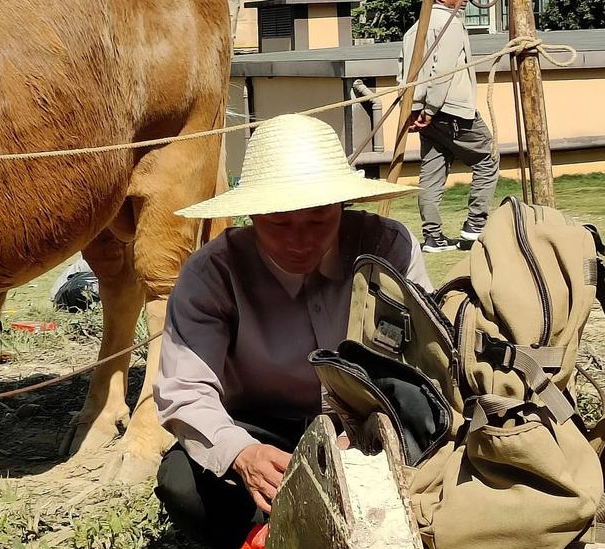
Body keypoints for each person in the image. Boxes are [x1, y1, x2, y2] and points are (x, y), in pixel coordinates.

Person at [153, 113, 431, 547]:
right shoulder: (213, 273)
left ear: (343, 205)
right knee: (183, 481)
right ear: (250, 214)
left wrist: (364, 431)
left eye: (320, 220)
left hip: (368, 420)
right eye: (279, 223)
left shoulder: (386, 248)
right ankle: (257, 535)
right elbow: (185, 390)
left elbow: (421, 361)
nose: (299, 240)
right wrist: (242, 454)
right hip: (261, 426)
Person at [398, 0, 501, 253]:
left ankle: (433, 237)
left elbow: (404, 71)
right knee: (488, 157)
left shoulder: (415, 28)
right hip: (449, 109)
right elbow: (442, 71)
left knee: (432, 172)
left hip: (424, 111)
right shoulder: (449, 25)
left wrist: (414, 108)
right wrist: (430, 109)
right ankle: (474, 227)